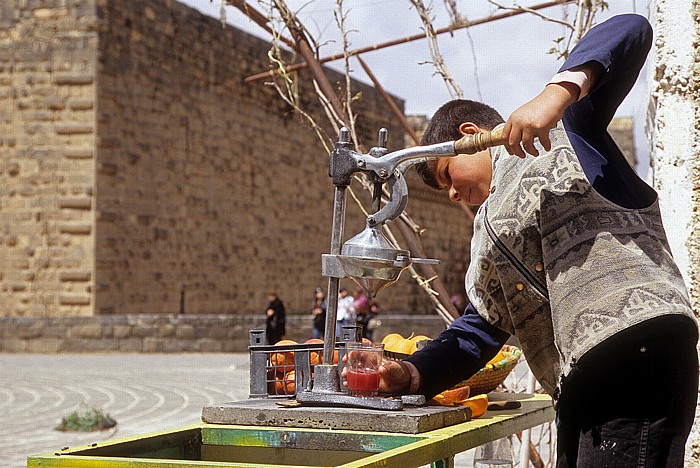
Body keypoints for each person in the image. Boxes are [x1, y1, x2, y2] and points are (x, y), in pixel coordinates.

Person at [367, 15, 698, 467]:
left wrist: (557, 93)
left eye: (446, 175)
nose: (451, 194)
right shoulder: (490, 235)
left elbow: (632, 28)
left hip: (637, 352)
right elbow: (479, 328)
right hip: (581, 377)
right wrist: (412, 373)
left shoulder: (572, 132)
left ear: (470, 137)